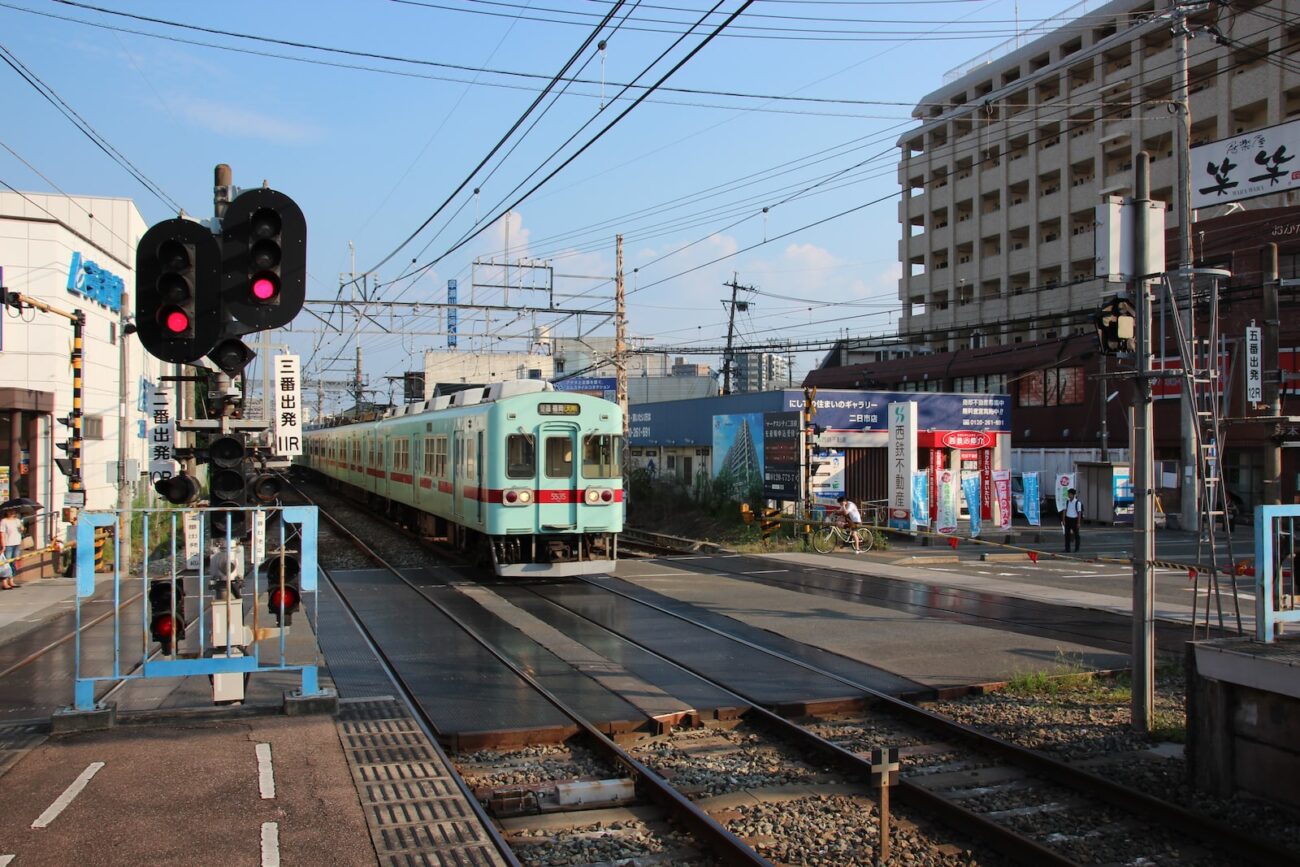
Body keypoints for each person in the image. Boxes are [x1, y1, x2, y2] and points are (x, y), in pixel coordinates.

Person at [1, 508, 23, 584]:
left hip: (17, 543)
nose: (13, 513)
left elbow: (21, 531)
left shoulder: (17, 521)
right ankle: (4, 582)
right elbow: (2, 533)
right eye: (11, 511)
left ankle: (11, 581)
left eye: (14, 511)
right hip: (8, 544)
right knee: (6, 563)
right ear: (7, 512)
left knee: (13, 563)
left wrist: (22, 528)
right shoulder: (4, 521)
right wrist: (3, 545)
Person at [1061, 488, 1084, 552]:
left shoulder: (1077, 502)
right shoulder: (1067, 502)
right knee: (1067, 535)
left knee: (1076, 535)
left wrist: (1078, 522)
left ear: (1073, 495)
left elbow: (1079, 513)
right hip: (1068, 519)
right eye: (1068, 494)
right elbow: (1064, 511)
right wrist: (1063, 520)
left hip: (1075, 519)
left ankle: (1077, 548)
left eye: (1070, 494)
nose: (1069, 495)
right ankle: (1067, 549)